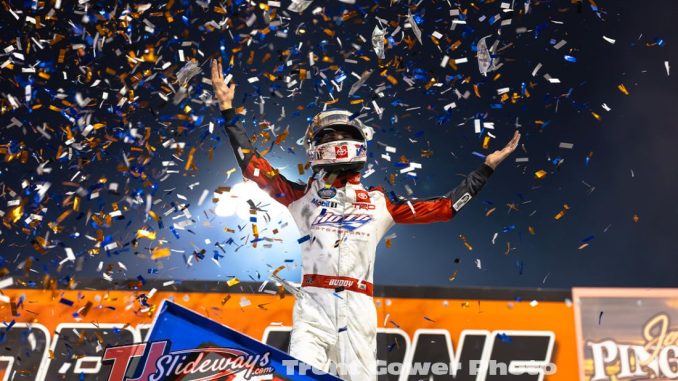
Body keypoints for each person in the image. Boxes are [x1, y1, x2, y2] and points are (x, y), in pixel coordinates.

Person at [211, 59, 521, 380]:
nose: (336, 140)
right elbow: (253, 167)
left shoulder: (378, 203)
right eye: (330, 136)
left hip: (358, 308)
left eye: (341, 134)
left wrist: (485, 169)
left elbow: (445, 208)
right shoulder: (300, 196)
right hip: (313, 306)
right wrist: (228, 112)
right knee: (299, 377)